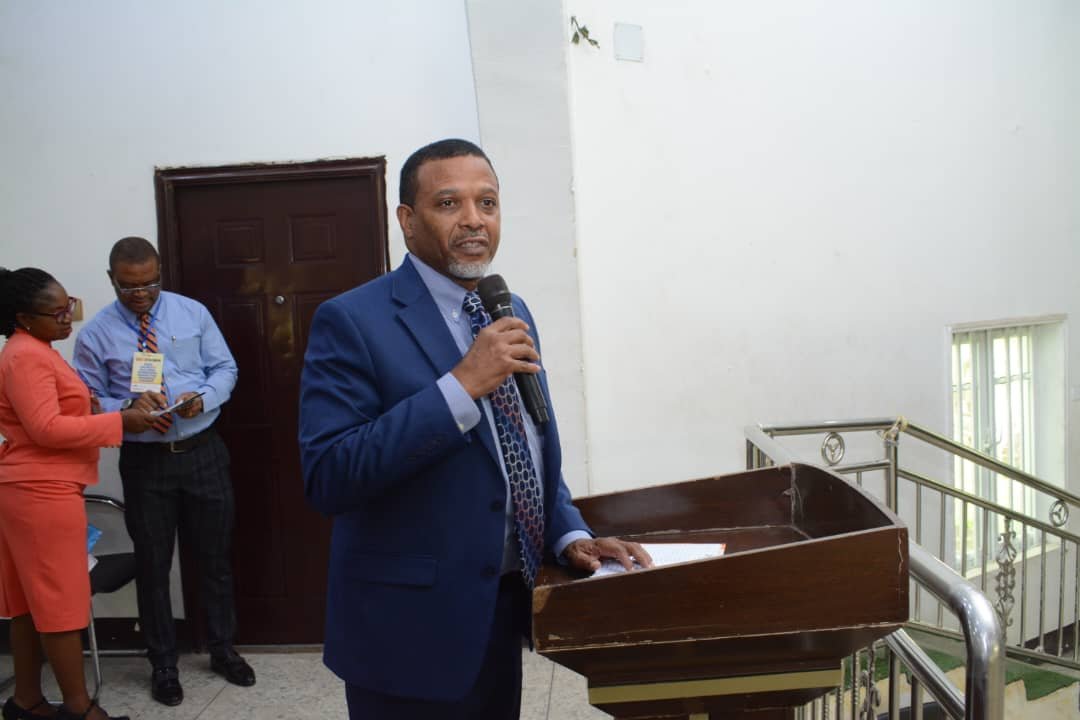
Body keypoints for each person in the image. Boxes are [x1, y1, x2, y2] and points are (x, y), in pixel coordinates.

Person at [298, 138, 652, 719]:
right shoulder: (352, 320)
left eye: (487, 202)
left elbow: (525, 447)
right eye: (449, 203)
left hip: (498, 615)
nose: (473, 220)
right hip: (406, 634)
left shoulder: (509, 307)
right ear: (407, 220)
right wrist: (460, 387)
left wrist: (568, 535)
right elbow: (330, 475)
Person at [72, 238, 254, 707]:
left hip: (201, 449)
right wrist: (125, 407)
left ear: (159, 274)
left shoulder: (192, 313)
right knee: (153, 565)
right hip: (145, 462)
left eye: (150, 284)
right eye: (129, 286)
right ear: (112, 279)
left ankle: (222, 649)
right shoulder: (95, 334)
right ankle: (164, 665)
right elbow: (86, 400)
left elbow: (225, 368)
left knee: (214, 557)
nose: (141, 294)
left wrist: (203, 398)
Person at [0, 267, 156, 720]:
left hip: (30, 487)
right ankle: (80, 710)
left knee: (29, 604)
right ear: (23, 318)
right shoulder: (26, 356)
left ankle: (27, 701)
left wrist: (94, 408)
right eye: (57, 312)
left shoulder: (33, 349)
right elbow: (46, 429)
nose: (68, 317)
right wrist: (118, 421)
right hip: (40, 491)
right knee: (60, 603)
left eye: (68, 306)